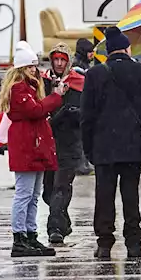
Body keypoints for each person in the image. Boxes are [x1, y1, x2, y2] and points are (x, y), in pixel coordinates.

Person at [80, 26, 141, 260]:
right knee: (131, 196)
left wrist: (89, 148)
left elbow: (86, 116)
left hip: (103, 146)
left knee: (104, 196)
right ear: (127, 49)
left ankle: (104, 244)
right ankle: (134, 243)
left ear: (108, 52)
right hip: (133, 146)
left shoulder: (95, 74)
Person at [1, 42, 61, 258]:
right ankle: (19, 237)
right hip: (27, 147)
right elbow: (35, 111)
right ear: (20, 69)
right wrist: (55, 97)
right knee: (24, 194)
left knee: (33, 194)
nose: (34, 71)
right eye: (29, 67)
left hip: (34, 147)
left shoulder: (30, 89)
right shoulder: (19, 89)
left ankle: (30, 234)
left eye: (34, 67)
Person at [43, 46, 85, 245]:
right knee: (47, 190)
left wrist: (69, 113)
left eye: (63, 60)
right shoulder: (43, 82)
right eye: (56, 60)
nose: (59, 63)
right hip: (47, 143)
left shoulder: (79, 83)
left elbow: (84, 112)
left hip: (69, 143)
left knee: (61, 187)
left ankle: (55, 228)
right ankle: (63, 219)